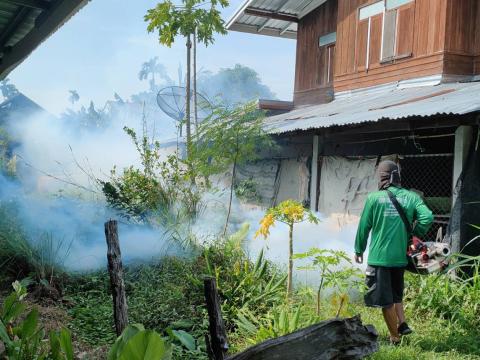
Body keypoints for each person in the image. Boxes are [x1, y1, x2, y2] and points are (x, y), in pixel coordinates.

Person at [354, 160, 433, 344]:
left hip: (379, 259)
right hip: (400, 259)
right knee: (396, 294)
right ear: (397, 177)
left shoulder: (374, 198)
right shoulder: (411, 197)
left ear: (382, 177)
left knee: (386, 301)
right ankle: (402, 324)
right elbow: (427, 217)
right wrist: (415, 233)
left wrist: (359, 249)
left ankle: (395, 338)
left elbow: (364, 226)